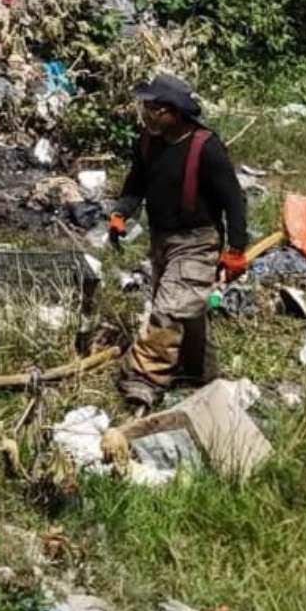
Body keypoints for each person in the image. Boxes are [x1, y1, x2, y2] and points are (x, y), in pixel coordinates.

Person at [109, 74, 248, 408]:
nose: (145, 112)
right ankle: (201, 374)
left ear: (171, 112)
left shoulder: (207, 147)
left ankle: (144, 381)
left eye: (152, 107)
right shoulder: (148, 141)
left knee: (169, 311)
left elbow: (234, 199)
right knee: (187, 312)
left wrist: (236, 250)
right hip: (162, 239)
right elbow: (135, 183)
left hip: (198, 242)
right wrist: (121, 213)